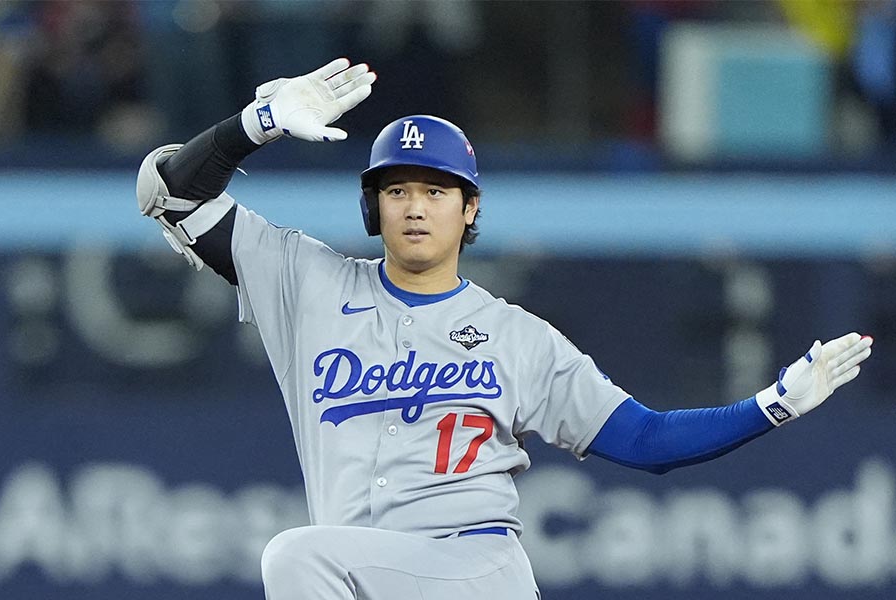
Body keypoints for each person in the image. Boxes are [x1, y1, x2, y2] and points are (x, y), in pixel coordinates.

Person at [135, 58, 873, 599]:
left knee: (295, 559)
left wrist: (773, 403)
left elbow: (646, 442)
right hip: (367, 576)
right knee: (308, 558)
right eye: (397, 190)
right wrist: (255, 125)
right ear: (374, 209)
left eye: (437, 190)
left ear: (471, 210)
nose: (416, 206)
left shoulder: (517, 336)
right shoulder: (305, 281)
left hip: (471, 572)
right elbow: (166, 192)